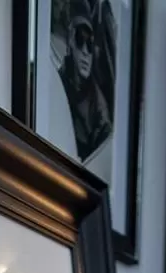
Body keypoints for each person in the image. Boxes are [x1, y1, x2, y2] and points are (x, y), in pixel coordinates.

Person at [58, 0, 112, 162]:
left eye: (90, 44)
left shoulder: (99, 108)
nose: (86, 52)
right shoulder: (57, 82)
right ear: (70, 42)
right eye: (80, 39)